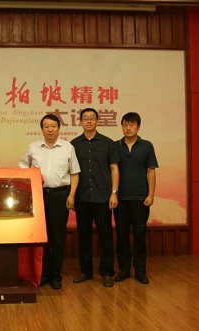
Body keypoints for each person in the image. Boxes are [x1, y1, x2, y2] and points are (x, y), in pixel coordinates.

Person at [19, 114, 80, 290]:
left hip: (60, 195)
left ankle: (56, 275)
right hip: (39, 195)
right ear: (42, 129)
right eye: (46, 126)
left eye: (53, 126)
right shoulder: (33, 147)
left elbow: (75, 173)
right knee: (42, 236)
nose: (50, 130)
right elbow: (22, 166)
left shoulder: (68, 147)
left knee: (58, 237)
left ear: (58, 129)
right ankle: (43, 274)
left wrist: (71, 195)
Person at [70, 108, 120, 287]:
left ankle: (107, 272)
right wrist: (72, 195)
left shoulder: (108, 143)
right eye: (85, 118)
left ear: (97, 121)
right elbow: (72, 172)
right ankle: (86, 271)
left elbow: (114, 169)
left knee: (106, 236)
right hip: (82, 198)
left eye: (92, 118)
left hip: (102, 197)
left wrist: (114, 193)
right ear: (80, 122)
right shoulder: (74, 145)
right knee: (83, 236)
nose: (89, 121)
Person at [114, 112, 158, 285]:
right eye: (125, 124)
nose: (128, 128)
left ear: (138, 127)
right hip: (121, 199)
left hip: (141, 198)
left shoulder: (146, 146)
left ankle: (140, 271)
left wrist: (151, 194)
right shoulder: (116, 146)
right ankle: (124, 270)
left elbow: (151, 171)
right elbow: (112, 171)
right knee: (122, 236)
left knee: (140, 236)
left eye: (132, 124)